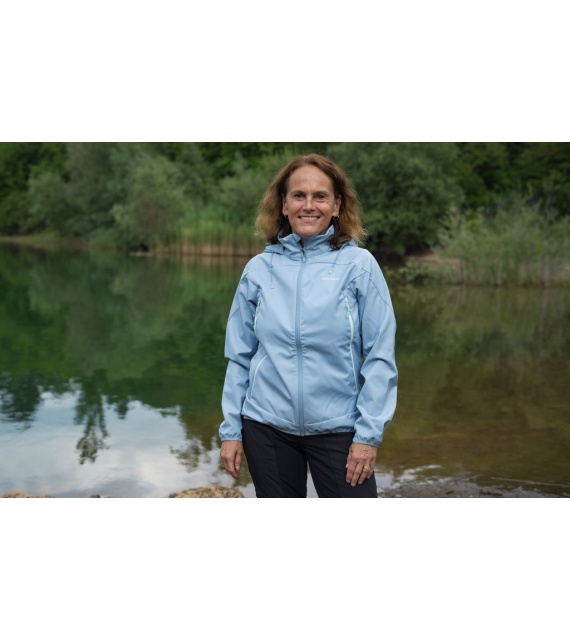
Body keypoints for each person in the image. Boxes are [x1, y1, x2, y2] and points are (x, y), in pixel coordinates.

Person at [219, 153, 398, 497]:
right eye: (298, 195)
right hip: (265, 427)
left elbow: (380, 358)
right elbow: (239, 357)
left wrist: (368, 435)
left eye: (320, 196)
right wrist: (231, 430)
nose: (309, 205)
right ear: (283, 204)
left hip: (340, 427)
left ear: (337, 206)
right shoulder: (258, 270)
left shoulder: (359, 266)